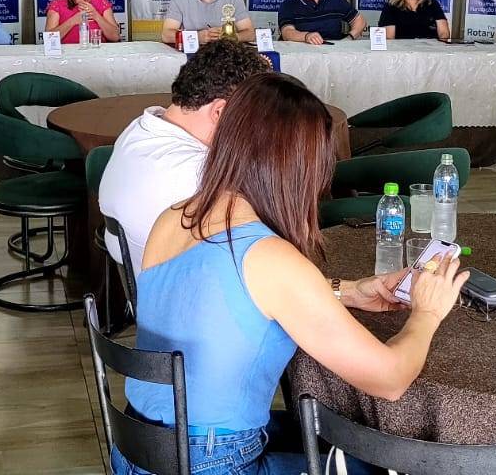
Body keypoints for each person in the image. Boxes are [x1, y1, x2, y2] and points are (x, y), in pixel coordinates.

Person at [112, 72, 469, 475]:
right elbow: (390, 379)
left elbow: (222, 300)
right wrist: (427, 313)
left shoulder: (174, 217)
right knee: (387, 462)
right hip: (213, 460)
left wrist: (349, 291)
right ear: (297, 169)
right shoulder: (268, 257)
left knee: (331, 435)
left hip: (140, 449)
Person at [98, 39, 272, 277]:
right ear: (220, 111)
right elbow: (268, 244)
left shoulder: (140, 128)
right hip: (192, 289)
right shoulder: (199, 172)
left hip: (151, 282)